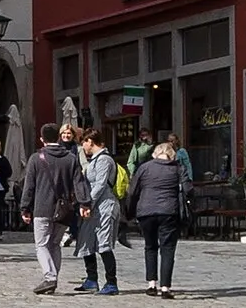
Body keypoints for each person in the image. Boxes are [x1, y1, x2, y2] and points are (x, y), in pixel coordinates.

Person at [124, 136, 189, 297]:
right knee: (167, 248)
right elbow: (189, 189)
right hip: (169, 211)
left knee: (150, 246)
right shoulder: (178, 168)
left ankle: (151, 284)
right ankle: (165, 287)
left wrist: (129, 212)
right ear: (172, 155)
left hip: (146, 212)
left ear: (155, 154)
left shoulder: (144, 168)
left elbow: (132, 192)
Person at [20, 123, 78, 294]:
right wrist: (85, 203)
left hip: (42, 208)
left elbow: (29, 186)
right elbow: (79, 183)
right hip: (64, 210)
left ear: (42, 139)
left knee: (41, 245)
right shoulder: (70, 158)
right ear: (59, 138)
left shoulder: (36, 158)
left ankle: (50, 278)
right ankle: (53, 278)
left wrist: (25, 207)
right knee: (54, 245)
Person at [74, 127, 120, 295]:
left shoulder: (104, 160)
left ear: (90, 142)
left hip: (104, 206)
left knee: (103, 244)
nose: (83, 148)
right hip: (93, 208)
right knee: (86, 241)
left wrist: (87, 204)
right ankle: (91, 279)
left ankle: (111, 282)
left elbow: (100, 185)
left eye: (83, 144)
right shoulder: (94, 159)